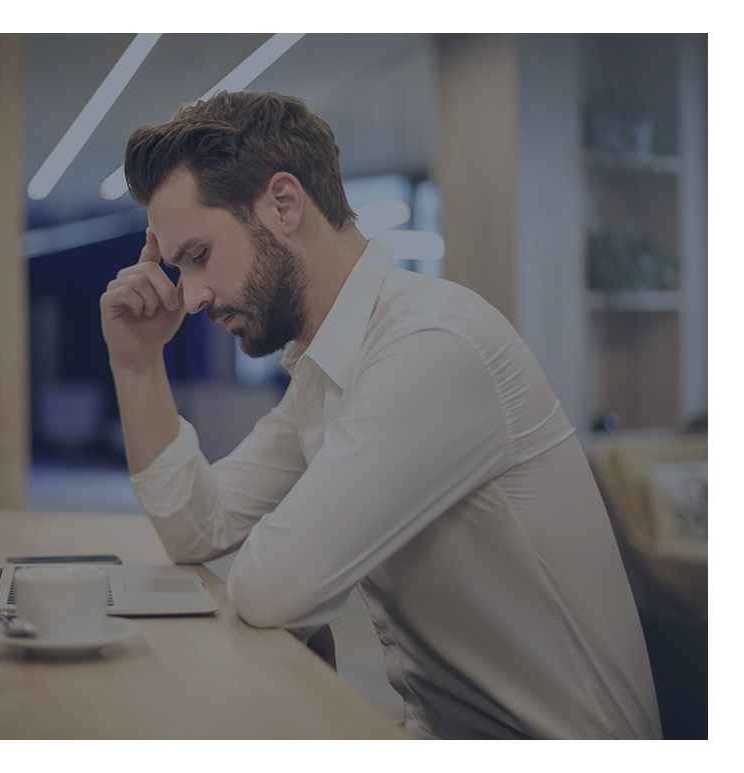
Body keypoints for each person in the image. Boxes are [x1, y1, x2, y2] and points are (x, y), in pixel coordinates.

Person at [99, 90, 661, 740]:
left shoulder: (432, 347)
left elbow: (270, 587)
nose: (189, 295)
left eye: (198, 255)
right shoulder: (327, 364)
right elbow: (197, 527)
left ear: (284, 204)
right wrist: (137, 364)